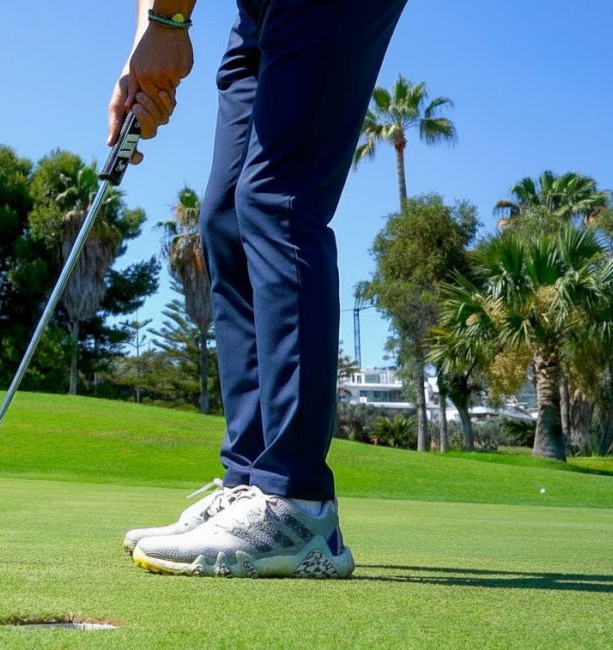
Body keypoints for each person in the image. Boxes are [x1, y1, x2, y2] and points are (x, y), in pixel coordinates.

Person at [111, 0, 407, 578]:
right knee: (224, 217)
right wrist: (147, 40)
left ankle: (297, 500)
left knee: (278, 201)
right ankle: (250, 482)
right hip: (261, 11)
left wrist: (168, 25)